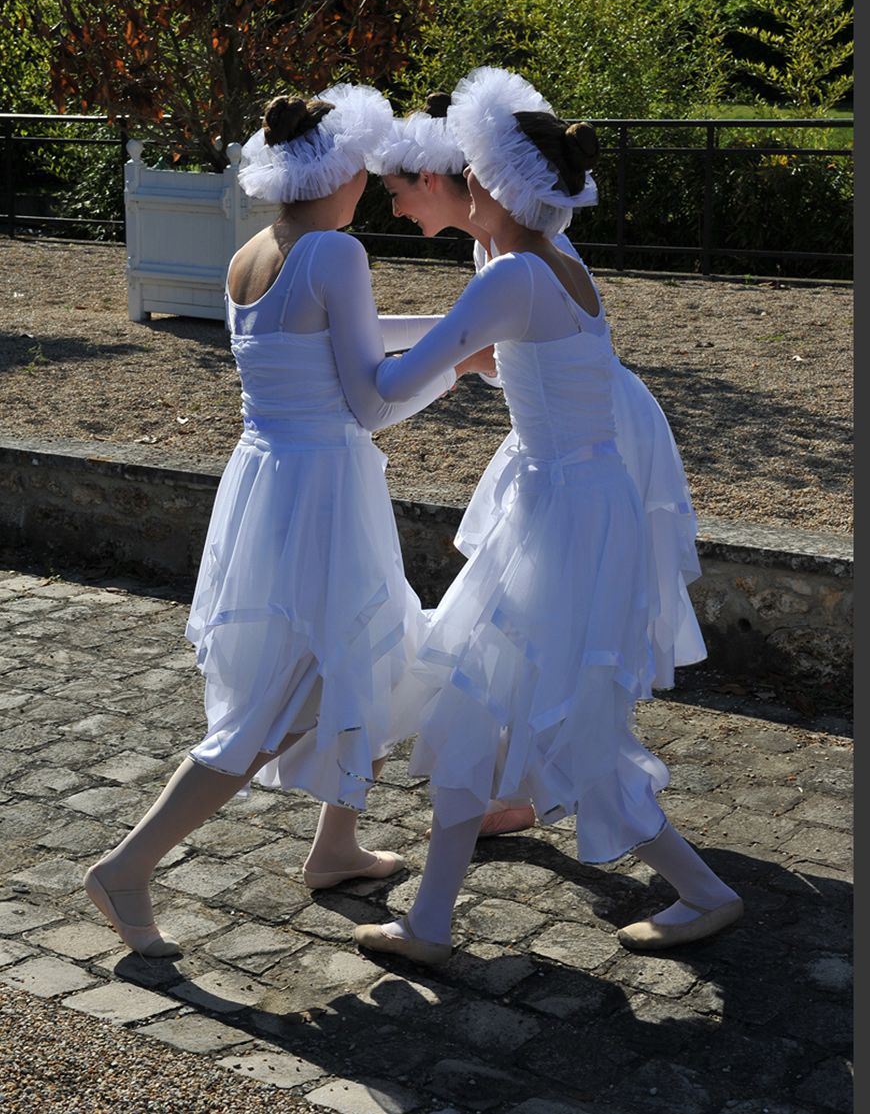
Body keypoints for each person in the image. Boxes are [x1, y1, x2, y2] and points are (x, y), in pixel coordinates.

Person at [350, 67, 739, 966]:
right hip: (566, 497)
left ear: (495, 185)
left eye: (472, 171)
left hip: (561, 512)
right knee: (479, 695)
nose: (461, 181)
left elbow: (408, 380)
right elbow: (484, 347)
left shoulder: (514, 275)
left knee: (558, 719)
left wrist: (340, 369)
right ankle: (432, 921)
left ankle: (705, 890)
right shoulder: (549, 263)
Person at [83, 87, 482, 957]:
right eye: (366, 173)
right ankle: (126, 865)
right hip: (321, 496)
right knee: (272, 707)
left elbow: (351, 342)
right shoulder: (337, 253)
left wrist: (461, 333)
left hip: (272, 485)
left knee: (368, 659)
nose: (373, 188)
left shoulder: (254, 252)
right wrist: (453, 361)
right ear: (341, 173)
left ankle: (335, 846)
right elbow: (371, 400)